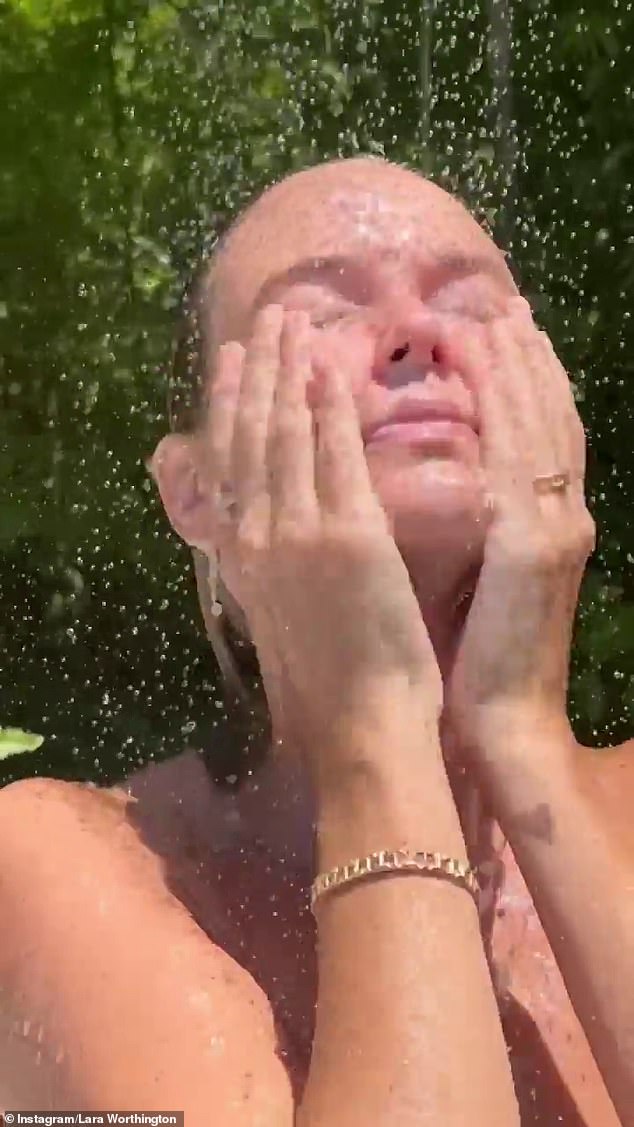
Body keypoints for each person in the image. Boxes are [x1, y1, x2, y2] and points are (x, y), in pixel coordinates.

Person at [0, 155, 632, 1125]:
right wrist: (379, 733)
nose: (417, 332)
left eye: (467, 304)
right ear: (197, 490)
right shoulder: (58, 863)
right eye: (322, 319)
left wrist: (522, 735)